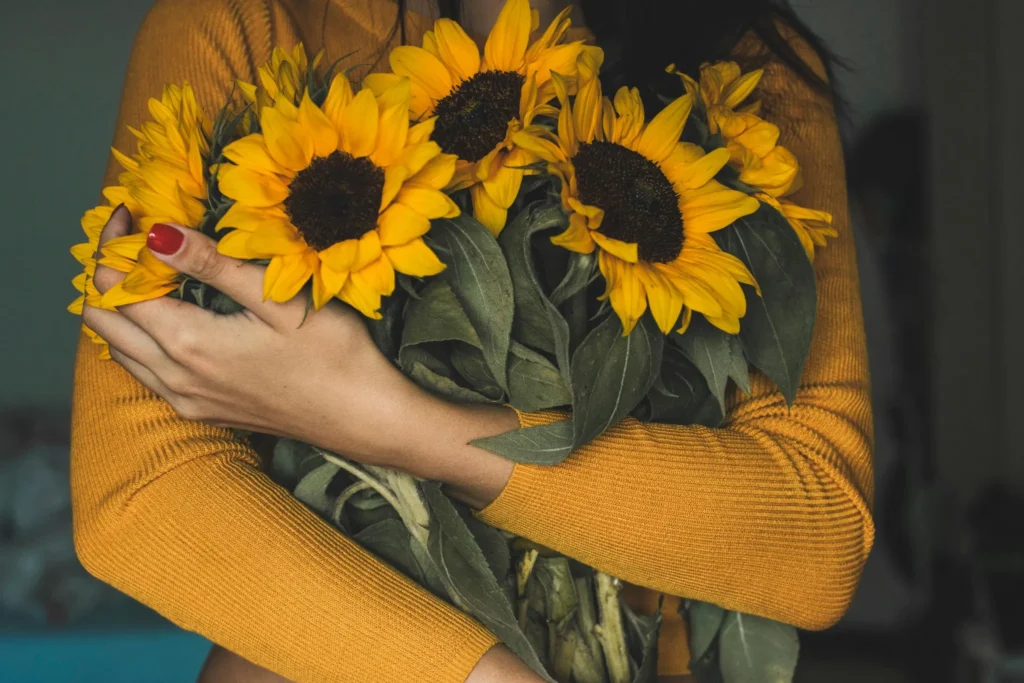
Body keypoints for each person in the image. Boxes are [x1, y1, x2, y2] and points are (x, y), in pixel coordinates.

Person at [71, 0, 874, 681]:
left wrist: (388, 421)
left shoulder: (742, 64)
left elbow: (819, 532)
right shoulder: (244, 24)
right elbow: (141, 494)